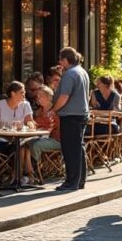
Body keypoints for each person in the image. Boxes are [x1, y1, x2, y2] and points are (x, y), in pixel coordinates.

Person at [52, 47, 90, 192]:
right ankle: (80, 180)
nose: (60, 63)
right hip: (81, 114)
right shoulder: (82, 71)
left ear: (66, 60)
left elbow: (64, 97)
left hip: (71, 116)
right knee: (78, 147)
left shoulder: (69, 74)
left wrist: (54, 110)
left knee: (70, 150)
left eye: (61, 59)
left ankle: (71, 182)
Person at [0, 81, 35, 184]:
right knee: (23, 147)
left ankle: (15, 176)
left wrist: (29, 126)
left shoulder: (25, 104)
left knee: (23, 146)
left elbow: (30, 121)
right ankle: (27, 174)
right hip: (1, 140)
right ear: (13, 93)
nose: (24, 94)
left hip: (19, 138)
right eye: (22, 92)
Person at [27, 87, 61, 176]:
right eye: (37, 96)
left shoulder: (55, 111)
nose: (38, 98)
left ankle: (38, 170)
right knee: (25, 143)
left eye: (40, 95)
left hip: (56, 140)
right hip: (42, 137)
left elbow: (53, 127)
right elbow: (36, 125)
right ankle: (29, 170)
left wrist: (40, 129)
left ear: (49, 97)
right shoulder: (40, 111)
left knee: (36, 145)